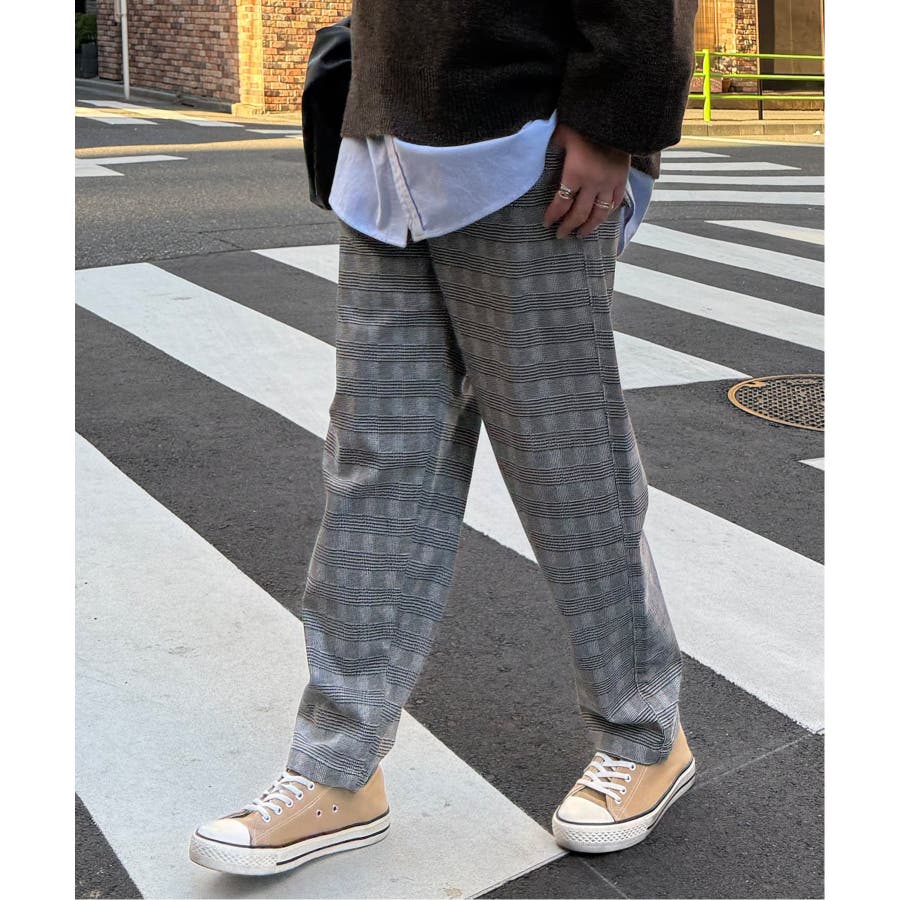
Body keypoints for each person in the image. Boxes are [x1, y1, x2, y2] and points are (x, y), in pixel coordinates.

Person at [190, 0, 699, 876]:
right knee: (375, 462)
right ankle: (338, 769)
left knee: (565, 461)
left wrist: (615, 118)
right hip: (386, 147)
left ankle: (645, 735)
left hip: (530, 139)